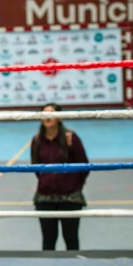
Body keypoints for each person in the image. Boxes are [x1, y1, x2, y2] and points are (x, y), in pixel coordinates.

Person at [30, 102, 90, 251]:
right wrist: (47, 183)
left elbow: (84, 165)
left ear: (59, 118)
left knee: (71, 239)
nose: (47, 117)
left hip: (70, 198)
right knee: (48, 241)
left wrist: (73, 186)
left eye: (52, 114)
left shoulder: (71, 138)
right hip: (45, 199)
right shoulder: (37, 140)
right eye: (44, 114)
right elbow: (36, 168)